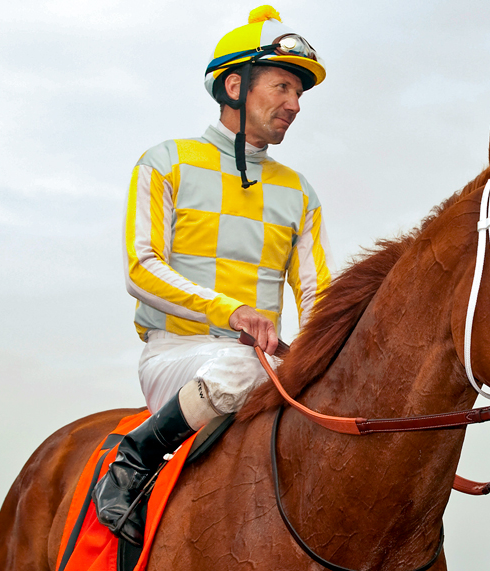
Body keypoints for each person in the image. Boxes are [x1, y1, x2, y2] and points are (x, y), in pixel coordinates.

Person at [92, 5, 333, 546]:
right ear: (234, 84)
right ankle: (135, 458)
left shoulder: (300, 191)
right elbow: (141, 268)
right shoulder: (165, 162)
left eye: (300, 94)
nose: (294, 105)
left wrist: (324, 350)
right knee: (244, 363)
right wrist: (233, 311)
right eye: (282, 87)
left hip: (262, 362)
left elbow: (318, 292)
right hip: (178, 353)